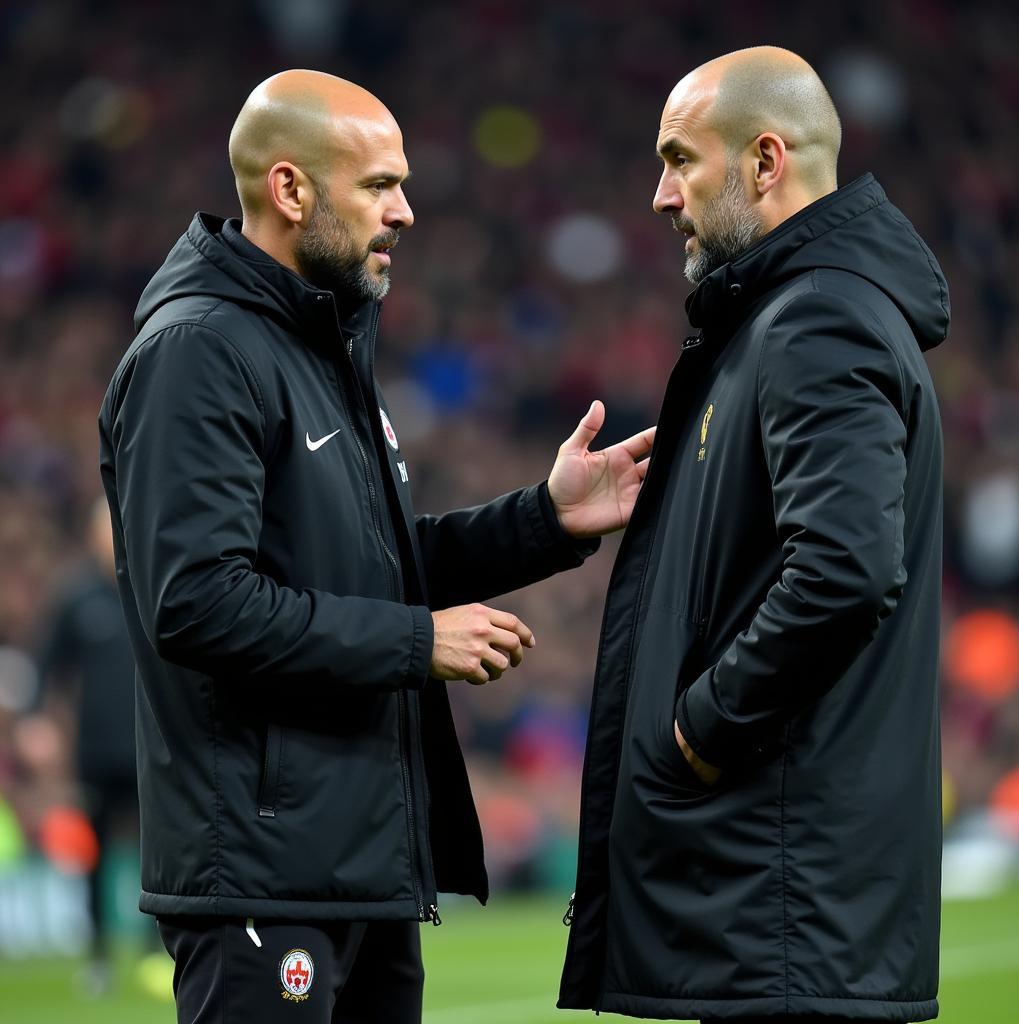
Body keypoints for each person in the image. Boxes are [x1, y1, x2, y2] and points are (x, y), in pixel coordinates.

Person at [98, 70, 653, 1023]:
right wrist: (416, 643)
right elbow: (195, 600)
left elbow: (370, 569)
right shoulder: (197, 352)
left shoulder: (321, 343)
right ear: (290, 190)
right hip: (263, 874)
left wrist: (544, 521)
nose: (403, 211)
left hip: (360, 862)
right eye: (378, 186)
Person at [559, 47, 947, 1024]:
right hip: (778, 905)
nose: (658, 195)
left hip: (787, 905)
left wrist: (701, 727)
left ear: (765, 160)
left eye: (679, 159)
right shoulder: (786, 317)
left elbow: (847, 569)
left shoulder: (817, 321)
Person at [35, 498, 138, 992]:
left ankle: (155, 950)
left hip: (148, 748)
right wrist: (39, 721)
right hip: (96, 750)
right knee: (92, 853)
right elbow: (47, 664)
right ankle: (99, 954)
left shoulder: (147, 588)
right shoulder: (77, 598)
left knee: (157, 853)